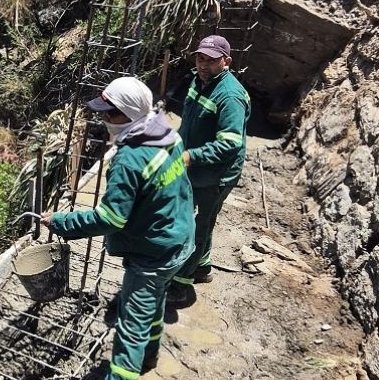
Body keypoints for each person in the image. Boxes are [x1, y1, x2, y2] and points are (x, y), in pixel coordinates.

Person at [41, 77, 195, 380]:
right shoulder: (166, 133)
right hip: (179, 237)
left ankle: (123, 374)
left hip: (154, 251)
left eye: (111, 113)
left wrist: (61, 222)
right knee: (154, 303)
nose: (104, 118)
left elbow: (111, 218)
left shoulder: (128, 160)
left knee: (131, 326)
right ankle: (150, 356)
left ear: (131, 113)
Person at [167, 35, 250, 306]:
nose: (203, 64)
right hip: (196, 166)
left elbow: (229, 145)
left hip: (217, 174)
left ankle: (180, 284)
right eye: (200, 58)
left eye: (211, 61)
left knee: (197, 226)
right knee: (200, 219)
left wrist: (192, 156)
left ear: (226, 61)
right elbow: (189, 121)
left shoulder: (230, 96)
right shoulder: (198, 81)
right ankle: (202, 266)